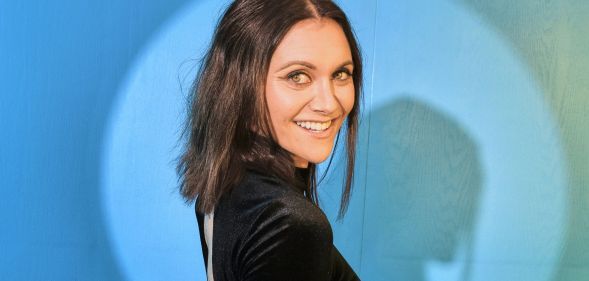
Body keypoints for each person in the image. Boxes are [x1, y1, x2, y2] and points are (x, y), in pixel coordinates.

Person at [177, 0, 362, 280]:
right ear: (241, 88)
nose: (329, 103)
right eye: (298, 76)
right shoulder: (292, 224)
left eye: (340, 74)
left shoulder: (225, 186)